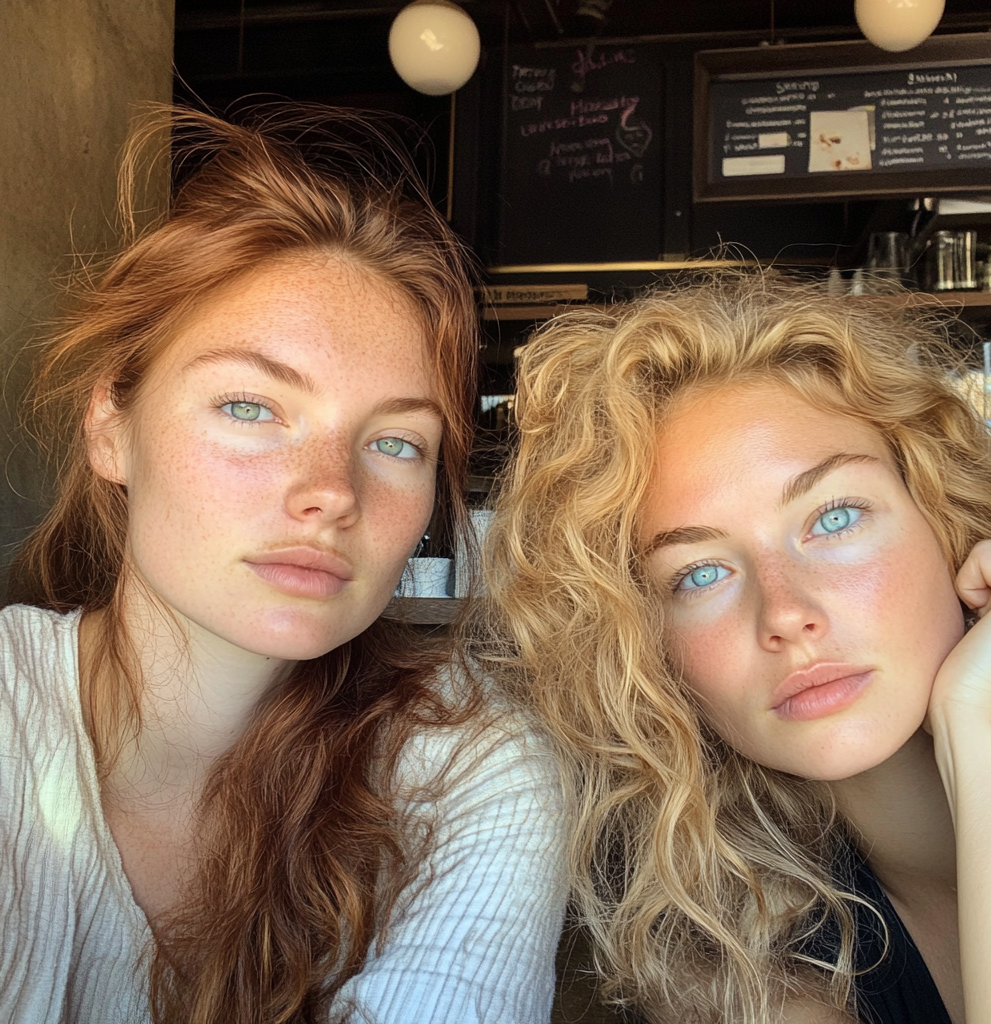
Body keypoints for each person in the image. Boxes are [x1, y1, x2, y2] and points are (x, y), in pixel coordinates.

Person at [0, 106, 566, 1024]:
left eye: (394, 442)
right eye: (251, 407)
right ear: (111, 425)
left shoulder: (465, 770)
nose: (330, 491)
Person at [484, 271, 991, 1024]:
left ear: (948, 518)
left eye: (833, 519)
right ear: (648, 652)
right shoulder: (732, 958)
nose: (786, 612)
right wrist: (988, 754)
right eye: (700, 573)